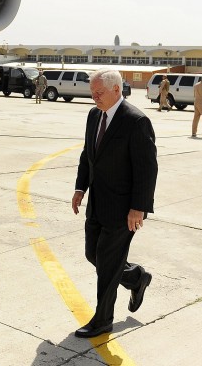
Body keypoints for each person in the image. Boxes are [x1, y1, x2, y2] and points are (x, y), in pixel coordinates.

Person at [71, 69, 157, 338]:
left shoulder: (136, 121)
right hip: (97, 203)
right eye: (92, 93)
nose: (94, 98)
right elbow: (89, 154)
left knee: (107, 265)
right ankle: (135, 277)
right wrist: (80, 187)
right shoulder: (94, 115)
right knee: (93, 255)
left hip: (123, 210)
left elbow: (147, 169)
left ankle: (102, 320)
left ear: (116, 90)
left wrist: (138, 207)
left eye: (99, 93)